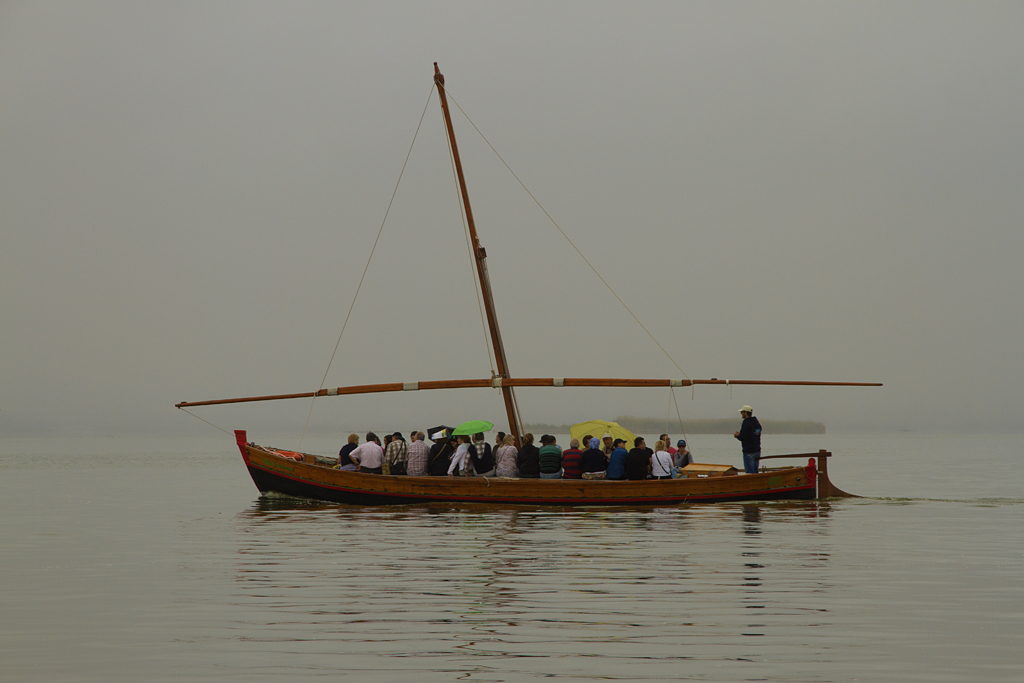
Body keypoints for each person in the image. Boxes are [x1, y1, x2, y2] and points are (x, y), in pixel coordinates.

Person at [734, 405, 762, 474]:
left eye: (742, 412)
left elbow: (742, 437)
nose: (741, 414)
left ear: (746, 413)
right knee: (755, 472)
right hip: (757, 451)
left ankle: (751, 484)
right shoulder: (756, 422)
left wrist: (737, 436)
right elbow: (753, 433)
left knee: (750, 473)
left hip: (749, 452)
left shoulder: (746, 422)